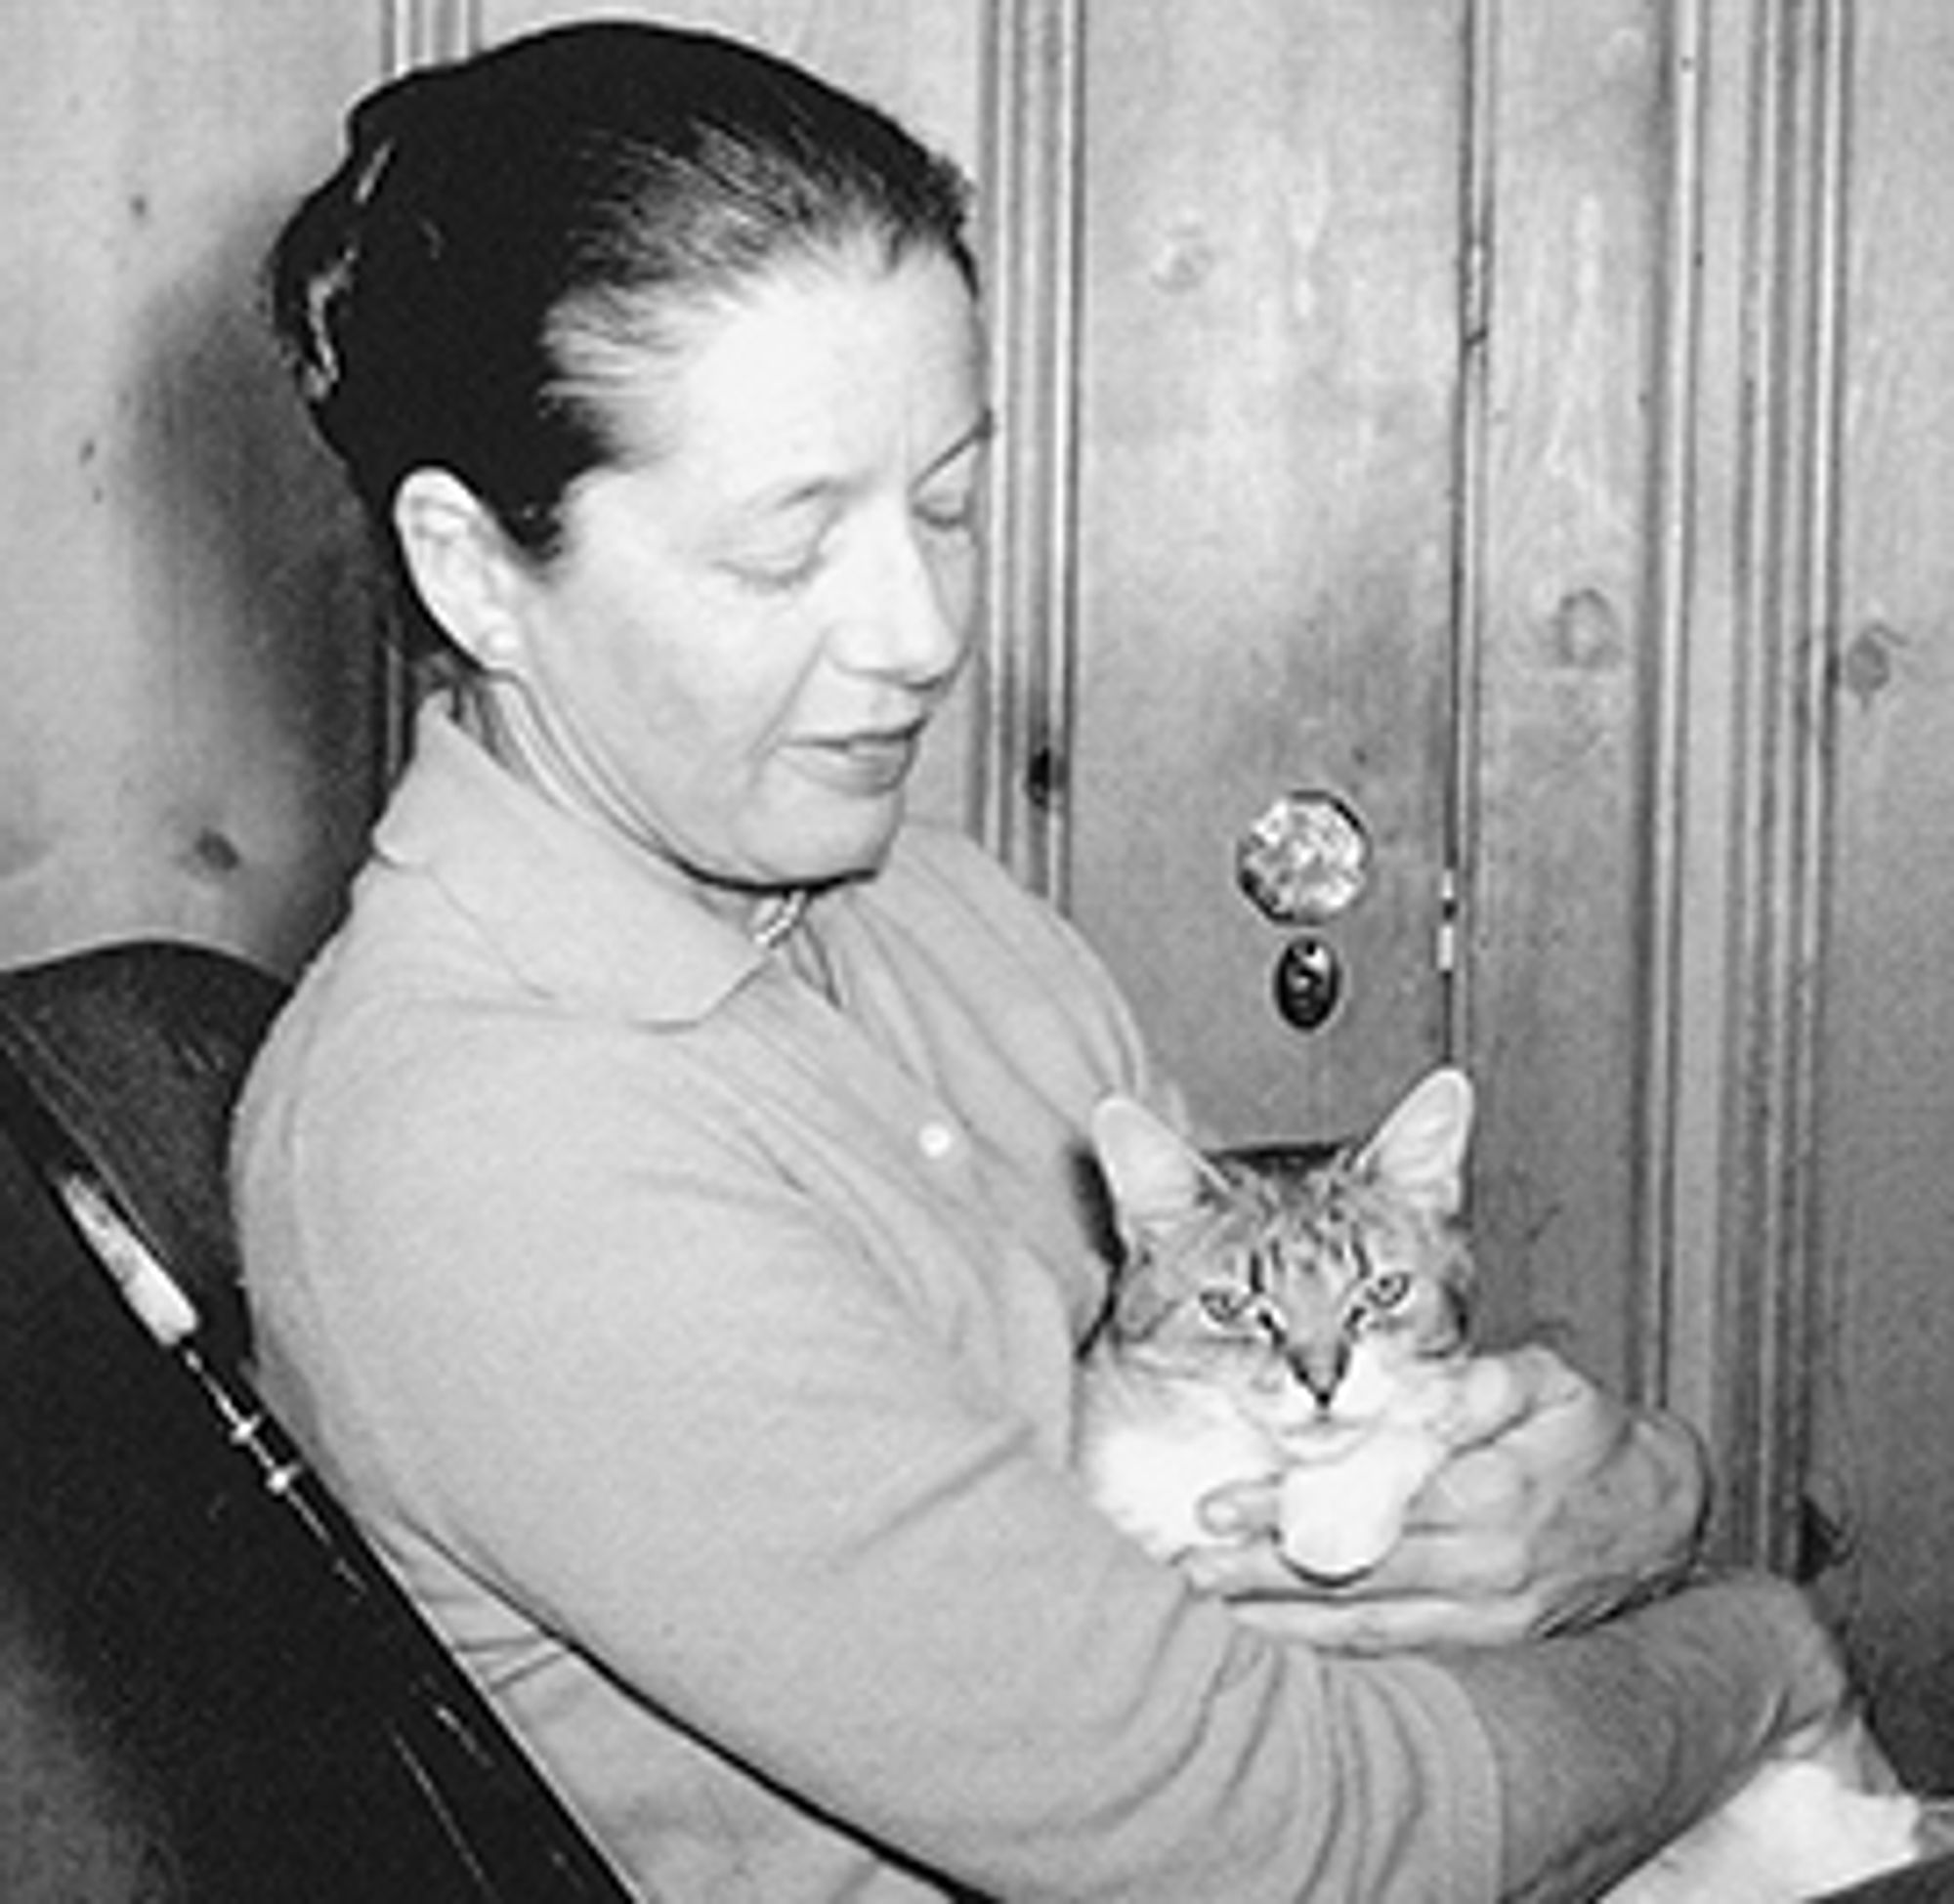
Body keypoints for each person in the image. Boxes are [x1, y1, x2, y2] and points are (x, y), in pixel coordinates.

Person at [235, 21, 1848, 1901]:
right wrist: (1758, 1652)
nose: (923, 633)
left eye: (947, 504)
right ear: (476, 570)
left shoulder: (925, 902)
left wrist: (1603, 1497)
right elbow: (1283, 1844)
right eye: (786, 552)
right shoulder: (488, 1153)